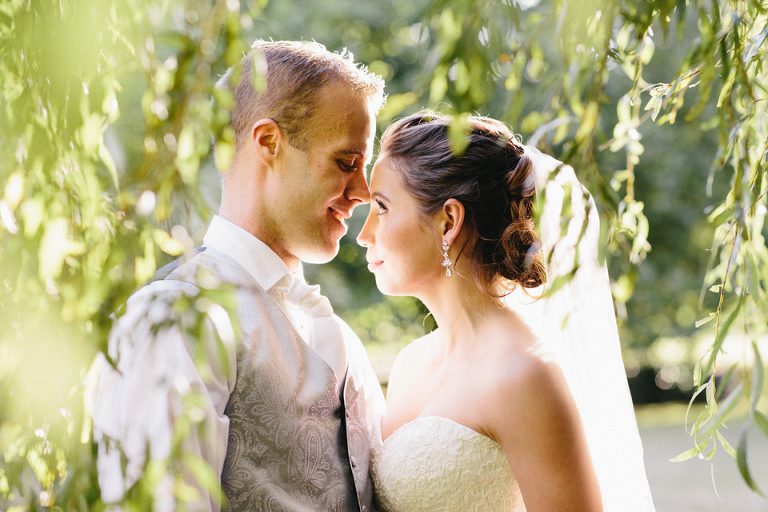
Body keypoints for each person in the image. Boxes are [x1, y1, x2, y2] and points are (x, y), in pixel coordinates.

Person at [89, 40, 387, 512]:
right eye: (346, 163)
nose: (364, 193)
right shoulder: (174, 317)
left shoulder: (339, 335)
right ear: (268, 142)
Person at [356, 111, 655, 511]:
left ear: (448, 221)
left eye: (383, 208)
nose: (364, 234)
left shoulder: (524, 375)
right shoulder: (412, 361)